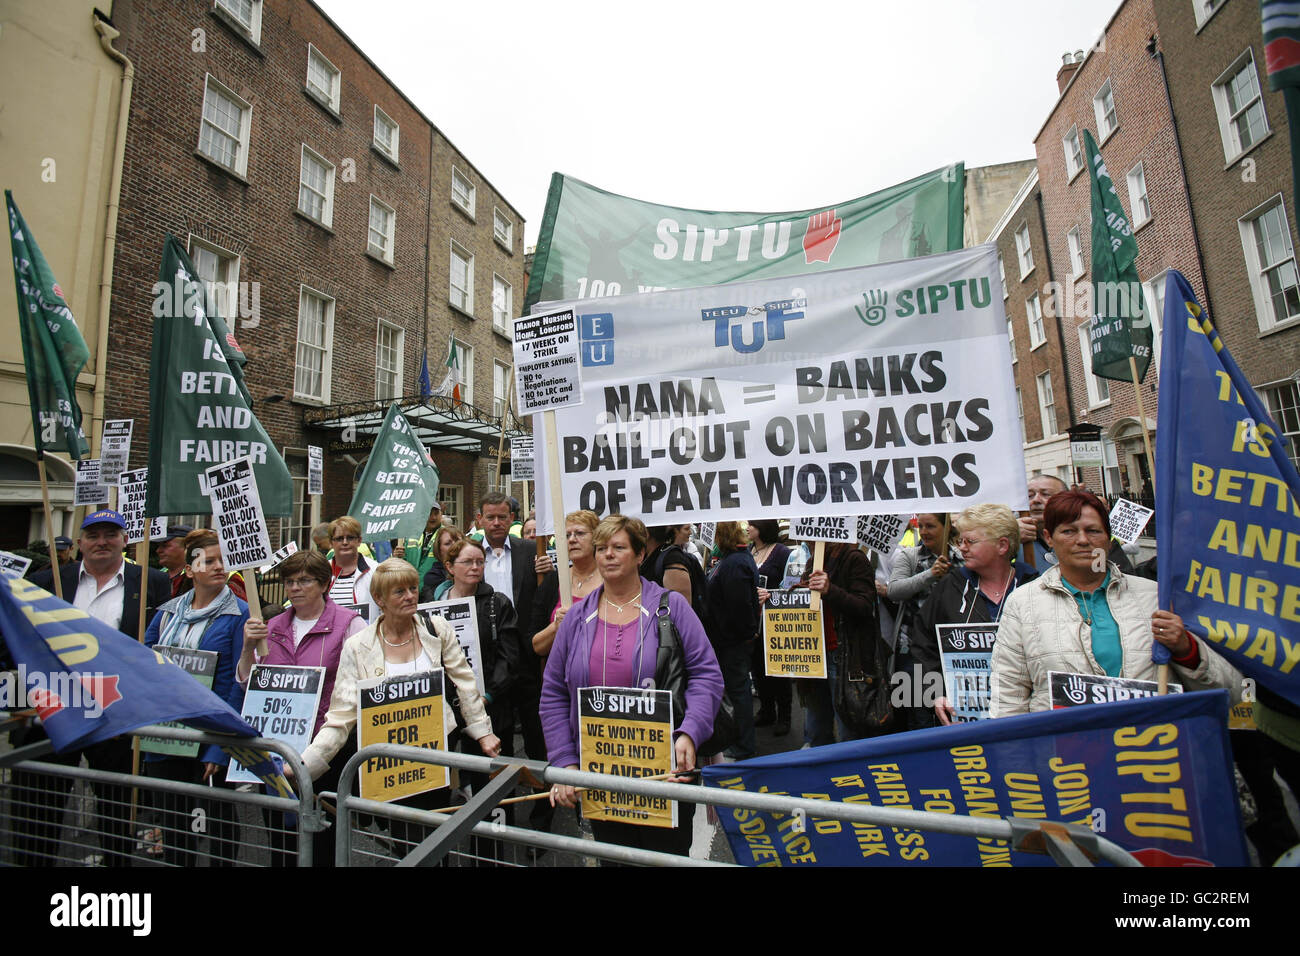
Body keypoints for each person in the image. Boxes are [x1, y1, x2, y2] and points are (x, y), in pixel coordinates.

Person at [541, 515, 723, 858]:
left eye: (618, 547)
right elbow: (553, 691)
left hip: (666, 772)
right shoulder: (577, 619)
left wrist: (690, 732)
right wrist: (564, 762)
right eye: (602, 548)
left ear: (640, 555)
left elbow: (706, 674)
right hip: (601, 774)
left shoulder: (672, 607)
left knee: (665, 859)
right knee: (614, 859)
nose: (608, 555)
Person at [299, 559, 501, 855]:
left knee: (433, 841)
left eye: (413, 588)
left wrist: (482, 732)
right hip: (386, 766)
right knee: (403, 842)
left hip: (434, 758)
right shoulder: (357, 646)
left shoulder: (436, 629)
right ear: (379, 599)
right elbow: (340, 716)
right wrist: (307, 764)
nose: (410, 596)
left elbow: (465, 682)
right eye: (399, 591)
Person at [991, 491, 1238, 715]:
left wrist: (1187, 650)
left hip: (1155, 748)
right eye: (1068, 531)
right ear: (1049, 538)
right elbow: (1008, 696)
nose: (1083, 540)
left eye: (1093, 530)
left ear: (1109, 539)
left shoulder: (1156, 597)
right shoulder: (1024, 603)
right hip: (1065, 758)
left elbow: (1234, 693)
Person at [15, 509, 170, 866]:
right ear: (80, 542)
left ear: (124, 540)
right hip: (55, 710)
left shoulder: (150, 582)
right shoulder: (48, 580)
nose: (102, 542)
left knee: (116, 810)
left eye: (110, 534)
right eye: (94, 535)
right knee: (39, 809)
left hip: (117, 714)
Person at [238, 549, 365, 866]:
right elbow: (247, 683)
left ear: (324, 584)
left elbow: (362, 684)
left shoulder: (350, 625)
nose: (295, 588)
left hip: (326, 750)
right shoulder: (272, 626)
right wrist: (248, 647)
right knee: (280, 840)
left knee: (323, 839)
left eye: (304, 580)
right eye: (289, 581)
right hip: (278, 749)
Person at [144, 528, 249, 866]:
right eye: (209, 561)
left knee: (216, 820)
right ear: (190, 570)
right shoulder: (167, 613)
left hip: (210, 734)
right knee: (175, 820)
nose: (220, 567)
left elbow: (239, 684)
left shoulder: (239, 614)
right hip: (169, 733)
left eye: (224, 561)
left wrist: (220, 747)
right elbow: (147, 665)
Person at [911, 504, 1037, 726]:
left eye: (971, 541)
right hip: (967, 721)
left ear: (1002, 545)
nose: (962, 548)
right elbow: (922, 643)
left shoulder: (1034, 588)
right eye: (961, 541)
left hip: (1029, 714)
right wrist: (936, 692)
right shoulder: (950, 587)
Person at [475, 491, 552, 827]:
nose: (496, 523)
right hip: (489, 665)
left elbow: (545, 598)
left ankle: (542, 812)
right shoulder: (470, 555)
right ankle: (500, 813)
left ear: (512, 518)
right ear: (479, 519)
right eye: (490, 517)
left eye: (502, 517)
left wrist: (547, 572)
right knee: (498, 739)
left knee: (537, 737)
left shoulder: (529, 552)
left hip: (527, 661)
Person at [796, 541, 881, 746]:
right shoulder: (812, 563)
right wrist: (775, 600)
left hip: (844, 656)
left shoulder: (854, 558)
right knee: (816, 729)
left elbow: (864, 606)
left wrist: (830, 590)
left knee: (848, 731)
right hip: (815, 656)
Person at [887, 513, 961, 731]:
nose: (924, 531)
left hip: (952, 650)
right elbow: (894, 591)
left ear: (945, 528)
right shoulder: (909, 557)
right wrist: (930, 574)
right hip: (913, 651)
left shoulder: (963, 558)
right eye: (921, 526)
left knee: (951, 711)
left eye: (931, 526)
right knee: (918, 713)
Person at [705, 521, 760, 760]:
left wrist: (744, 635)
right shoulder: (734, 560)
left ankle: (743, 744)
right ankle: (740, 740)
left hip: (731, 641)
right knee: (737, 690)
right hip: (728, 640)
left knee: (738, 692)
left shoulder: (735, 564)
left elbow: (739, 606)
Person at [1017, 474, 1131, 572]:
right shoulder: (1011, 537)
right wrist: (1010, 538)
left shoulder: (1092, 536)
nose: (1036, 500)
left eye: (1046, 494)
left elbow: (1112, 577)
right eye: (1029, 495)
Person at [531, 510, 600, 658]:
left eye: (580, 533)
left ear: (596, 538)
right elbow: (536, 646)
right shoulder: (553, 581)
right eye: (567, 535)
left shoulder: (610, 580)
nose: (572, 540)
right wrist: (556, 627)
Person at [747, 520, 791, 736]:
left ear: (762, 527)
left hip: (775, 620)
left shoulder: (782, 552)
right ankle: (766, 710)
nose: (747, 529)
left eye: (751, 525)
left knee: (778, 668)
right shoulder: (750, 550)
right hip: (754, 620)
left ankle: (784, 715)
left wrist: (772, 595)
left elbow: (792, 585)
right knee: (757, 666)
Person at [326, 516, 376, 620]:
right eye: (339, 539)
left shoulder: (376, 570)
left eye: (350, 538)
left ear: (359, 541)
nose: (345, 542)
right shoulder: (321, 572)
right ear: (331, 543)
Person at [394, 503, 444, 584]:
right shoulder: (411, 535)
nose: (433, 517)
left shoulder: (447, 535)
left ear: (441, 514)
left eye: (436, 513)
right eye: (429, 513)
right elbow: (403, 563)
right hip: (412, 588)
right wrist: (397, 557)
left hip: (435, 590)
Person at [418, 524, 463, 601]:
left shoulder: (475, 568)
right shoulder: (433, 577)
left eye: (457, 541)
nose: (454, 546)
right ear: (439, 550)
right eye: (447, 543)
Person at [155, 524, 195, 598]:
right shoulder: (156, 577)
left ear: (187, 547)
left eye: (165, 546)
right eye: (159, 546)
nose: (158, 550)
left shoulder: (199, 578)